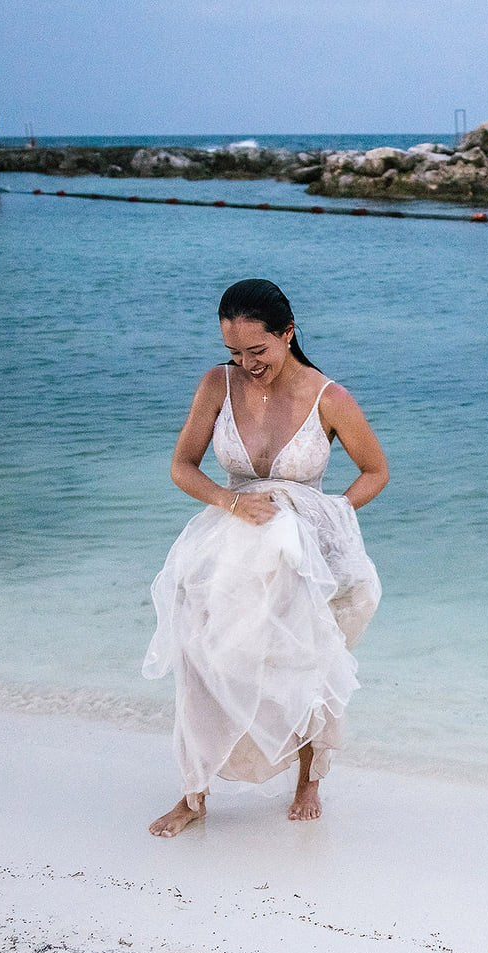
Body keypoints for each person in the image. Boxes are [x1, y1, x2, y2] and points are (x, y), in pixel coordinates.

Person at [142, 279, 387, 836]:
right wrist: (231, 501)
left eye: (258, 350)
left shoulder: (331, 397)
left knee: (305, 662)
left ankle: (309, 777)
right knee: (201, 659)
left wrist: (327, 514)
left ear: (288, 333)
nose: (246, 363)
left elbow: (376, 471)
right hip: (223, 543)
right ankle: (193, 793)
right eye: (234, 352)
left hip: (302, 552)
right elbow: (183, 466)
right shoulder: (216, 385)